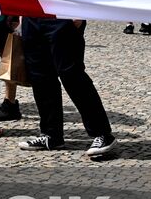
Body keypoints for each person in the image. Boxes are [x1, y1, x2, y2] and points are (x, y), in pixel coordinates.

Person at [16, 18, 118, 159]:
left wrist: (78, 12)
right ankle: (51, 135)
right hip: (32, 17)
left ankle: (103, 134)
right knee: (40, 77)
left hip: (62, 16)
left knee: (72, 75)